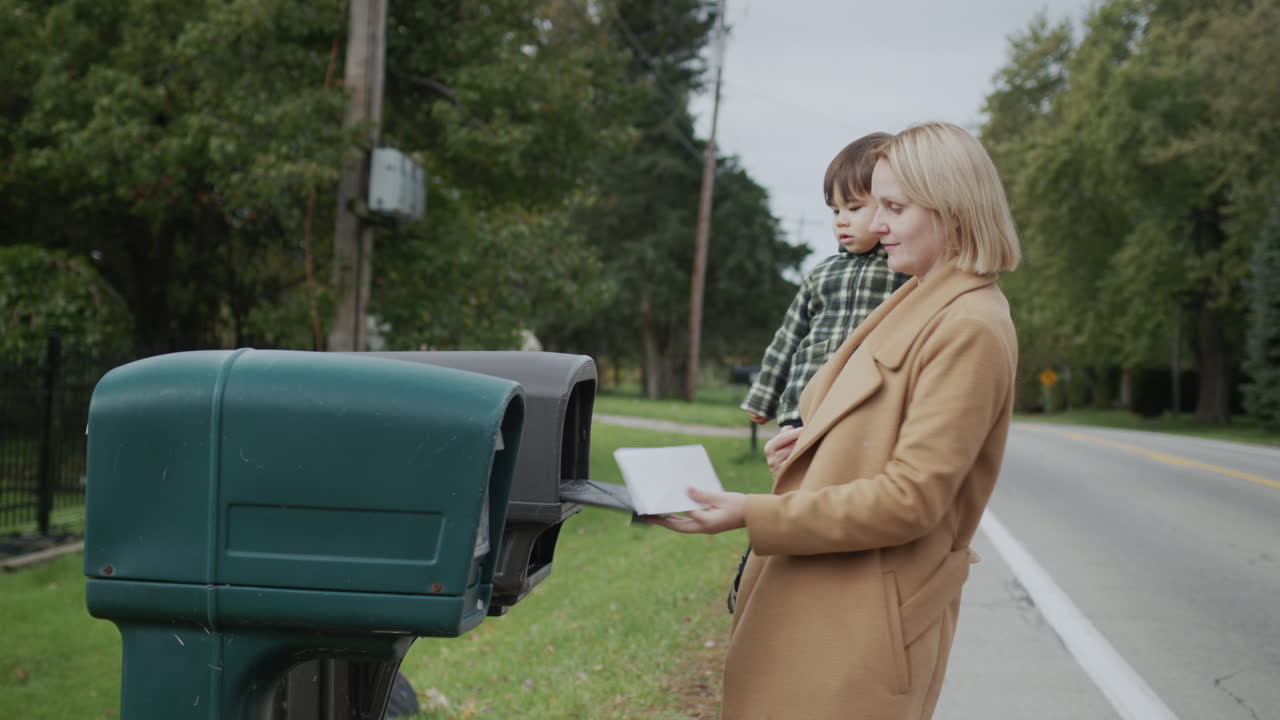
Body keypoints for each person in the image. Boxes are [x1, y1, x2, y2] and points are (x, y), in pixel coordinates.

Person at [654, 121, 1021, 720]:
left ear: (953, 211)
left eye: (895, 208)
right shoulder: (919, 295)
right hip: (829, 601)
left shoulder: (968, 326)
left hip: (860, 624)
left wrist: (752, 513)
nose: (877, 225)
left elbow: (912, 499)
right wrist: (810, 447)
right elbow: (873, 425)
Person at [740, 132, 908, 429]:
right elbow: (789, 336)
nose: (841, 220)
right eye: (835, 210)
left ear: (889, 205)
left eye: (854, 208)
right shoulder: (822, 273)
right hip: (803, 403)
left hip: (861, 406)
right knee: (796, 473)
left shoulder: (904, 270)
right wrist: (763, 395)